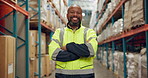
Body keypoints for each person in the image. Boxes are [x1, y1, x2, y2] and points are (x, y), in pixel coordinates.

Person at [48, 4, 98, 78]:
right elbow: (53, 54)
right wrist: (81, 53)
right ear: (67, 15)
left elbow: (91, 50)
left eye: (78, 13)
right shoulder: (59, 32)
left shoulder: (89, 32)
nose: (75, 15)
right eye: (72, 12)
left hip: (85, 75)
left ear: (81, 16)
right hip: (62, 75)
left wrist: (68, 46)